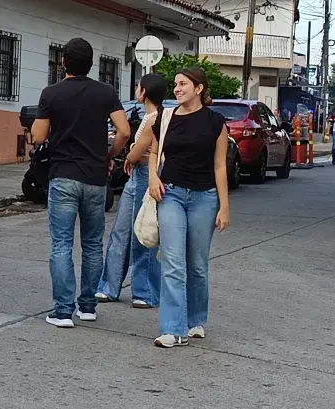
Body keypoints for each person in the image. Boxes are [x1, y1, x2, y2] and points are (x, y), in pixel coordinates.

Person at [31, 37, 130, 328]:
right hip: (96, 177)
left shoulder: (51, 93)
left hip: (63, 175)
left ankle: (63, 311)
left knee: (61, 244)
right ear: (91, 64)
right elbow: (123, 131)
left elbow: (38, 136)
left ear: (63, 63)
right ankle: (88, 306)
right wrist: (108, 154)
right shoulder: (106, 92)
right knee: (92, 244)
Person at [148, 67, 230, 348]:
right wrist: (152, 177)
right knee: (172, 262)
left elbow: (220, 166)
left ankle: (195, 319)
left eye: (183, 84)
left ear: (199, 88)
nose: (177, 89)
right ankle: (172, 328)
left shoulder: (215, 122)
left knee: (197, 264)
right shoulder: (165, 118)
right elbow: (154, 152)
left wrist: (224, 206)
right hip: (170, 194)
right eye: (175, 85)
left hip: (204, 198)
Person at [96, 73, 167, 308]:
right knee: (122, 231)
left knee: (142, 234)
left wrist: (129, 156)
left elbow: (137, 152)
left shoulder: (153, 118)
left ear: (144, 92)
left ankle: (144, 291)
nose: (137, 91)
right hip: (138, 175)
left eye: (138, 87)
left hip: (146, 175)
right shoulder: (151, 115)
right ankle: (109, 287)